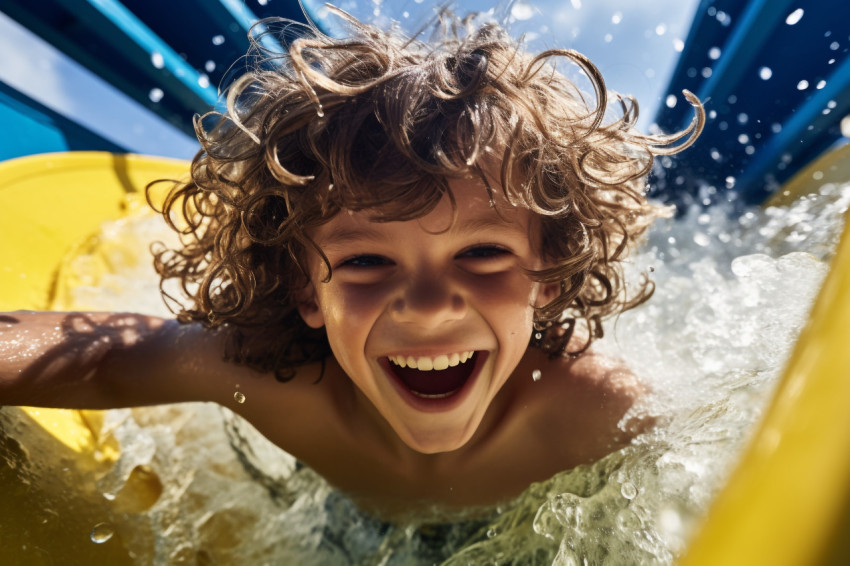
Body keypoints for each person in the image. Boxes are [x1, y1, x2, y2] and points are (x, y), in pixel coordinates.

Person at [0, 9, 702, 517]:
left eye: (483, 253)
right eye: (368, 261)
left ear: (550, 276)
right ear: (306, 287)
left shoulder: (599, 412)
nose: (429, 305)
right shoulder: (277, 381)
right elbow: (103, 357)